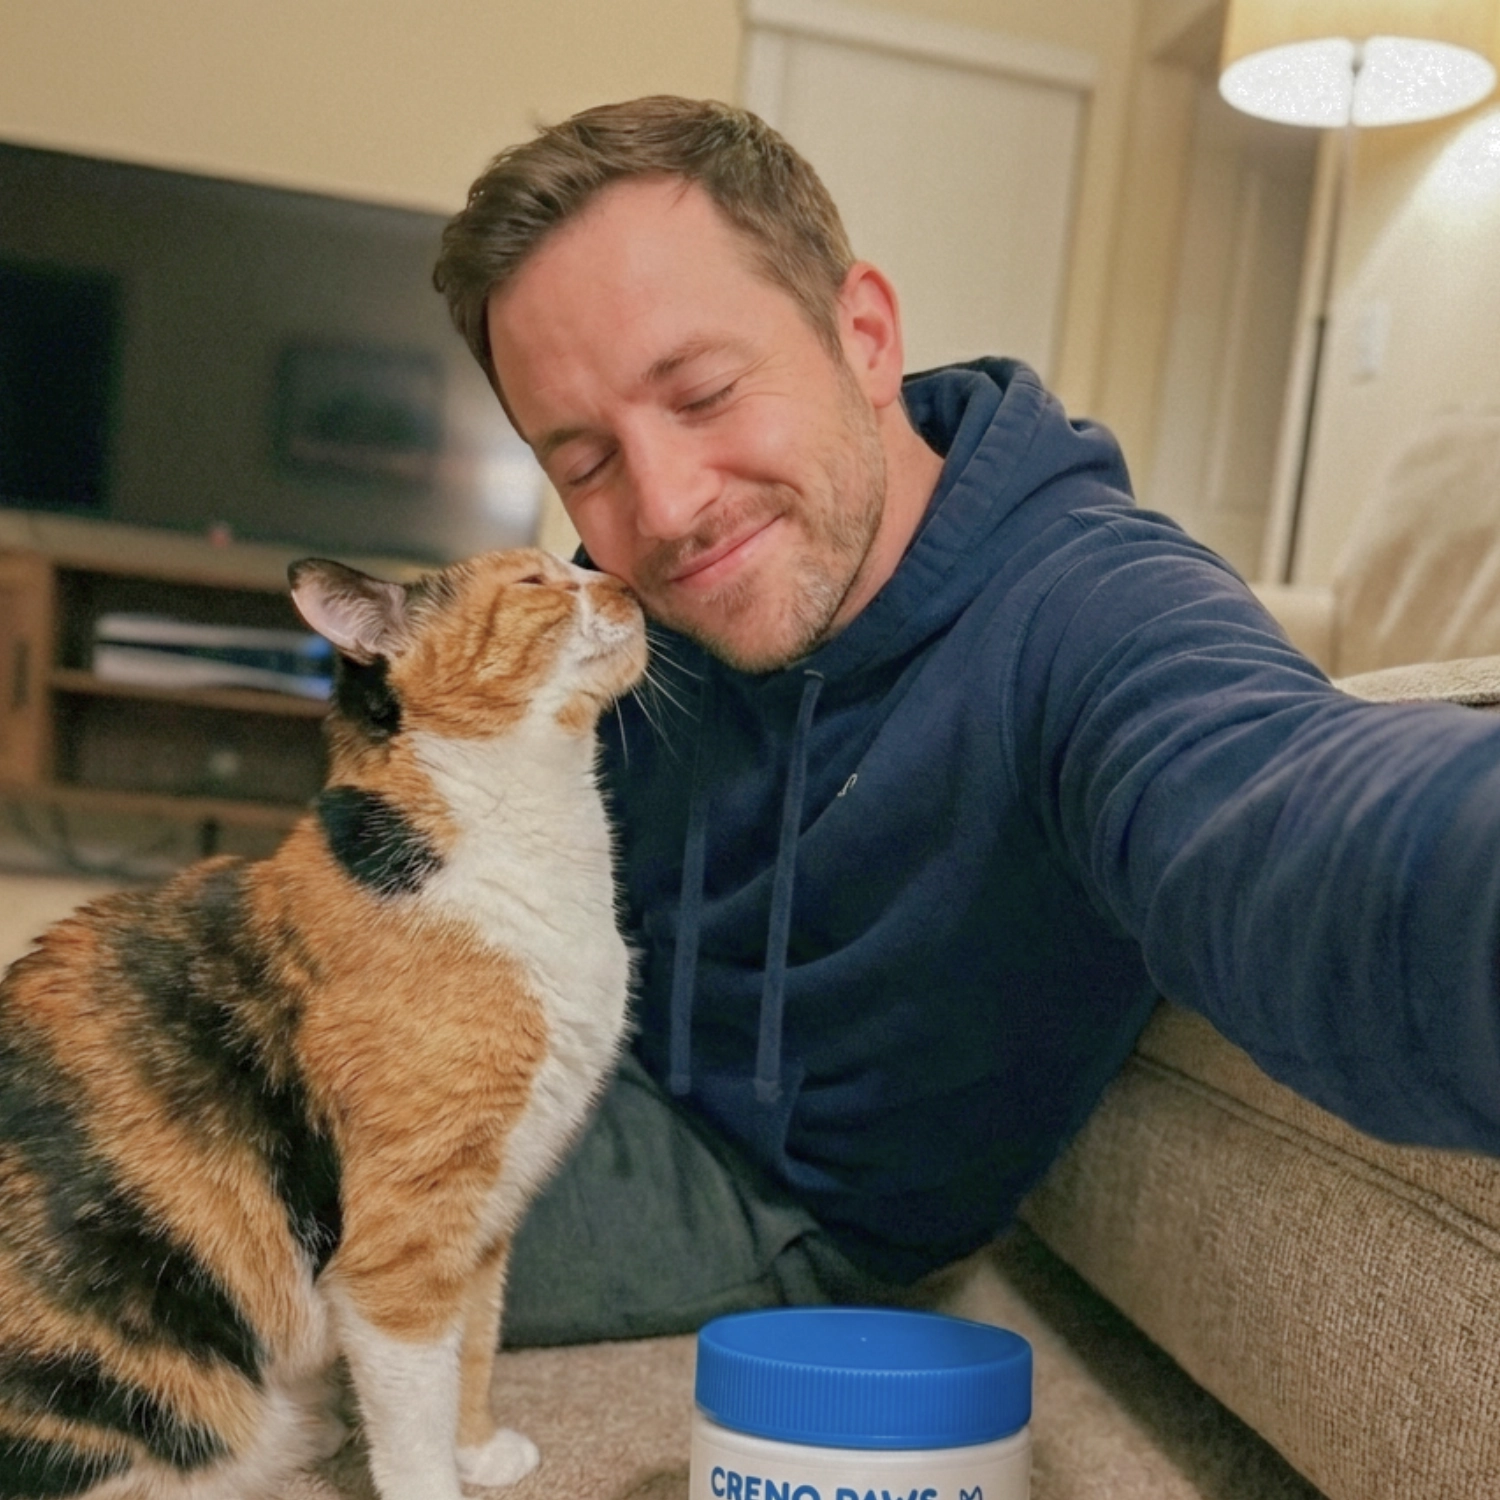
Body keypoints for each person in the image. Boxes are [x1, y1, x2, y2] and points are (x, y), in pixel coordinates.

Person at [432, 95, 1500, 1346]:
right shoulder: (640, 623)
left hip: (767, 1199)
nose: (664, 510)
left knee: (234, 1227)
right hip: (565, 1063)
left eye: (706, 393)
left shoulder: (1088, 611)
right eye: (587, 464)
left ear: (865, 334)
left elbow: (1293, 815)